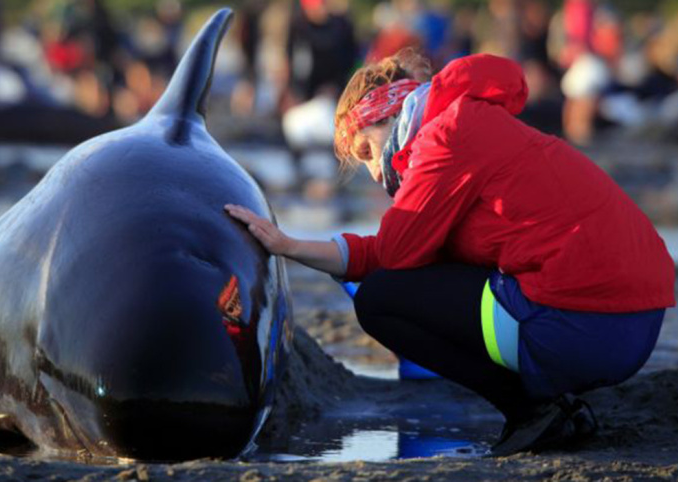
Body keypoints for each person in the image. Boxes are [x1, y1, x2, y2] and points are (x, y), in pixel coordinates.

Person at [225, 50, 675, 456]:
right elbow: (393, 250)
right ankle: (554, 405)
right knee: (410, 275)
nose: (369, 169)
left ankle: (533, 412)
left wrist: (300, 247)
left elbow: (394, 256)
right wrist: (288, 246)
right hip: (635, 322)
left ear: (389, 116)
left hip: (586, 329)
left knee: (379, 302)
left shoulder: (445, 136)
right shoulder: (465, 119)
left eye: (365, 151)